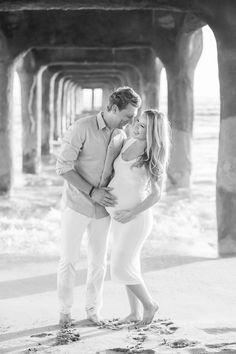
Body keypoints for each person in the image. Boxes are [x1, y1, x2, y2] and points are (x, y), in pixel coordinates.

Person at [56, 87, 142, 327]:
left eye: (134, 116)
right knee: (69, 259)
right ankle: (64, 311)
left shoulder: (121, 136)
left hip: (103, 210)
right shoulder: (81, 127)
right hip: (76, 204)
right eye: (128, 115)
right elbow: (63, 167)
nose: (131, 120)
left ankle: (93, 310)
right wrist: (92, 191)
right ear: (113, 108)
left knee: (98, 263)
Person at [106, 109, 170, 326]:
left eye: (143, 126)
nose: (137, 126)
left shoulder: (151, 157)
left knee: (120, 266)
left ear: (152, 131)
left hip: (136, 219)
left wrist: (131, 212)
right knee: (130, 266)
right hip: (118, 218)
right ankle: (133, 313)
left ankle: (150, 305)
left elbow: (156, 195)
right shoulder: (127, 142)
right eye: (138, 122)